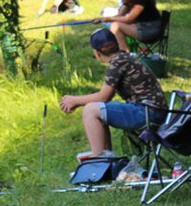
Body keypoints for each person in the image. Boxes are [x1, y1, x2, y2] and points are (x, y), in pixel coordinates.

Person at [59, 28, 167, 161]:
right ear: (117, 44)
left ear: (97, 53)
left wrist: (74, 100)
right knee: (98, 109)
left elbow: (103, 96)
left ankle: (99, 159)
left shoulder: (117, 62)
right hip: (153, 112)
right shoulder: (124, 58)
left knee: (91, 110)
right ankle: (106, 158)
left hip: (147, 113)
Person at [93, 0, 162, 52]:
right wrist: (101, 19)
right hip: (142, 27)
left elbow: (129, 19)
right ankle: (123, 52)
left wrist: (109, 19)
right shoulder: (129, 0)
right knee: (115, 26)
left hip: (150, 30)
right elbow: (119, 16)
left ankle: (125, 54)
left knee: (116, 26)